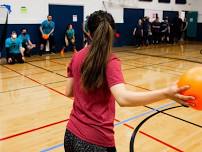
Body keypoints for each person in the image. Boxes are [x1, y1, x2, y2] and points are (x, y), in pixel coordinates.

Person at [64, 10, 194, 152]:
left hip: (71, 135)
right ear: (112, 33)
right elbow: (123, 99)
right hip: (96, 142)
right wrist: (166, 93)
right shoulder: (110, 61)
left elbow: (69, 92)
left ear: (88, 32)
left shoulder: (76, 57)